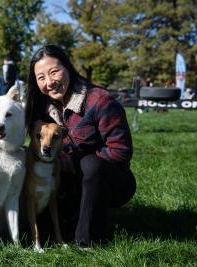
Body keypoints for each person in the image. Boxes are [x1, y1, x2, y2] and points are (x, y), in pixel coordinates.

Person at [25, 45, 136, 249]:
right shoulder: (44, 111)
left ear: (68, 67)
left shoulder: (100, 100)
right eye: (41, 77)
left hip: (112, 180)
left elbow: (121, 151)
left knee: (90, 163)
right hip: (67, 180)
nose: (49, 82)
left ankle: (87, 239)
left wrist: (73, 161)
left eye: (54, 72)